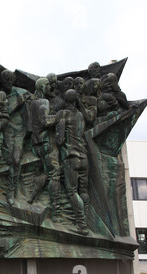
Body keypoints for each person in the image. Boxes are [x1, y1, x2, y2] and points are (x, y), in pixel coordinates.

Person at [29, 78, 65, 221]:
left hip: (36, 144)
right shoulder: (44, 102)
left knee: (46, 172)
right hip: (47, 142)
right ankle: (56, 211)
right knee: (55, 174)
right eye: (48, 85)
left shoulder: (32, 103)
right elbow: (45, 121)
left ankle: (32, 197)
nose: (50, 87)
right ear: (42, 87)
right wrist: (60, 116)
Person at [0, 70, 32, 205]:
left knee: (16, 160)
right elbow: (3, 113)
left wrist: (29, 133)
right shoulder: (0, 95)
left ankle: (10, 190)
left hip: (19, 131)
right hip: (7, 130)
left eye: (10, 79)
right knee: (8, 160)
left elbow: (27, 115)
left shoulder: (20, 93)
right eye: (5, 79)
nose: (8, 81)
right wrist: (17, 103)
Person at [60, 89, 89, 236]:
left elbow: (59, 139)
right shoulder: (80, 115)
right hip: (84, 157)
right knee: (83, 190)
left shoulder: (64, 114)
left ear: (65, 100)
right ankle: (89, 223)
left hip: (71, 157)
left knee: (72, 191)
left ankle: (82, 225)